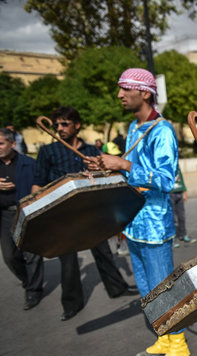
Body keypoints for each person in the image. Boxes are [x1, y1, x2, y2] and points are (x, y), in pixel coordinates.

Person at [91, 68, 188, 356]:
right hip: (133, 223)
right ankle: (164, 338)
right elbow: (131, 175)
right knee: (147, 291)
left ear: (145, 93)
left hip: (155, 225)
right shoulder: (134, 127)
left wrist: (123, 163)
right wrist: (108, 166)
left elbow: (166, 180)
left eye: (125, 89)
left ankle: (180, 345)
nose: (119, 95)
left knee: (163, 290)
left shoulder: (163, 131)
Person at [33, 106, 138, 321]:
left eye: (65, 124)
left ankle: (117, 287)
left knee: (104, 253)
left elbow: (107, 177)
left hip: (91, 213)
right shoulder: (47, 152)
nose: (60, 128)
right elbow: (38, 183)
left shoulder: (91, 150)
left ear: (77, 125)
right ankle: (72, 304)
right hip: (63, 216)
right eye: (57, 125)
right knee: (68, 261)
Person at [0, 128, 44, 310]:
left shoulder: (28, 163)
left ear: (12, 143)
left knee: (32, 253)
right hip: (4, 215)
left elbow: (40, 183)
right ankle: (27, 279)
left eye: (1, 143)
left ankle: (34, 290)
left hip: (25, 213)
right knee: (10, 256)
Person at [170, 165, 196, 248]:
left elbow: (180, 176)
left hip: (179, 191)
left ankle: (183, 234)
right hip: (170, 193)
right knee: (172, 218)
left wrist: (184, 191)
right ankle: (172, 238)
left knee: (181, 216)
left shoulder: (176, 165)